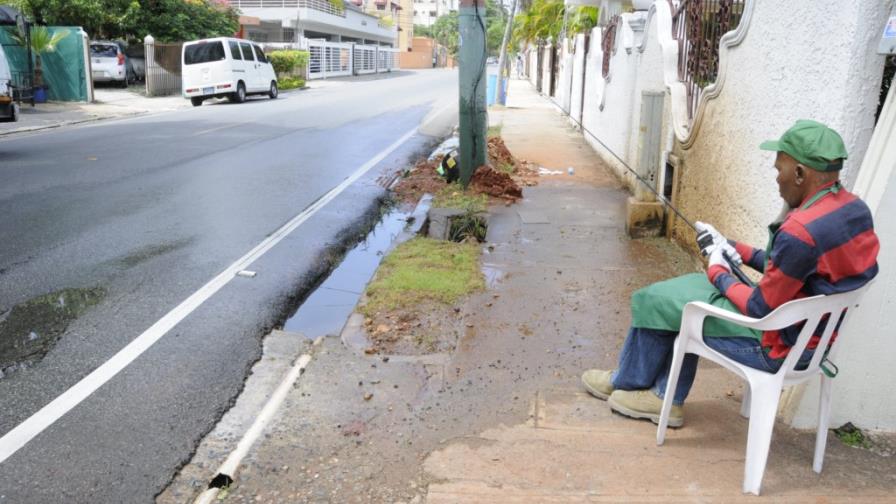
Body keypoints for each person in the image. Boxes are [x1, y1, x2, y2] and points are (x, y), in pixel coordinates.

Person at [581, 120, 880, 427]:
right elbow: (793, 268)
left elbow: (759, 307)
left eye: (780, 170)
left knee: (664, 299)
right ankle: (640, 383)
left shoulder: (800, 231)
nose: (777, 179)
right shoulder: (853, 211)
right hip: (812, 342)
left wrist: (717, 270)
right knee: (679, 292)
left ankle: (651, 392)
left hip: (777, 346)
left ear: (801, 173)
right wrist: (731, 246)